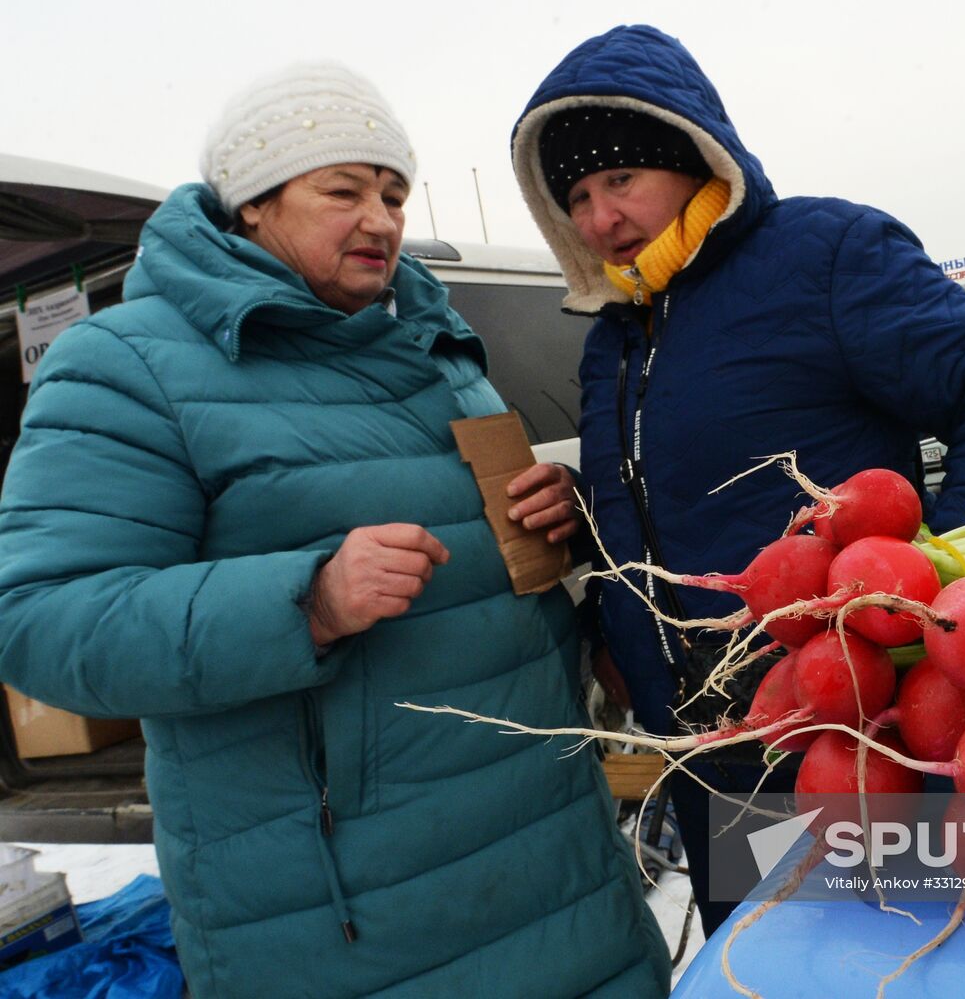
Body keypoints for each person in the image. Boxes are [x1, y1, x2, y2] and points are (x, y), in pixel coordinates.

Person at [0, 63, 669, 999]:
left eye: (393, 194)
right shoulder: (124, 365)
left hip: (555, 855)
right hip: (351, 913)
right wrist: (305, 602)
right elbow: (40, 621)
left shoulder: (436, 347)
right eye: (343, 191)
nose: (381, 220)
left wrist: (558, 511)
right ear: (252, 203)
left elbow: (488, 552)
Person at [510, 24, 965, 935]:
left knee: (887, 953)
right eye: (576, 195)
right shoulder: (614, 336)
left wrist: (946, 590)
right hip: (711, 750)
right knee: (761, 957)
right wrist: (590, 536)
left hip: (850, 732)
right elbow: (666, 495)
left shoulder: (820, 253)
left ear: (693, 158)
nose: (600, 218)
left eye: (621, 179)